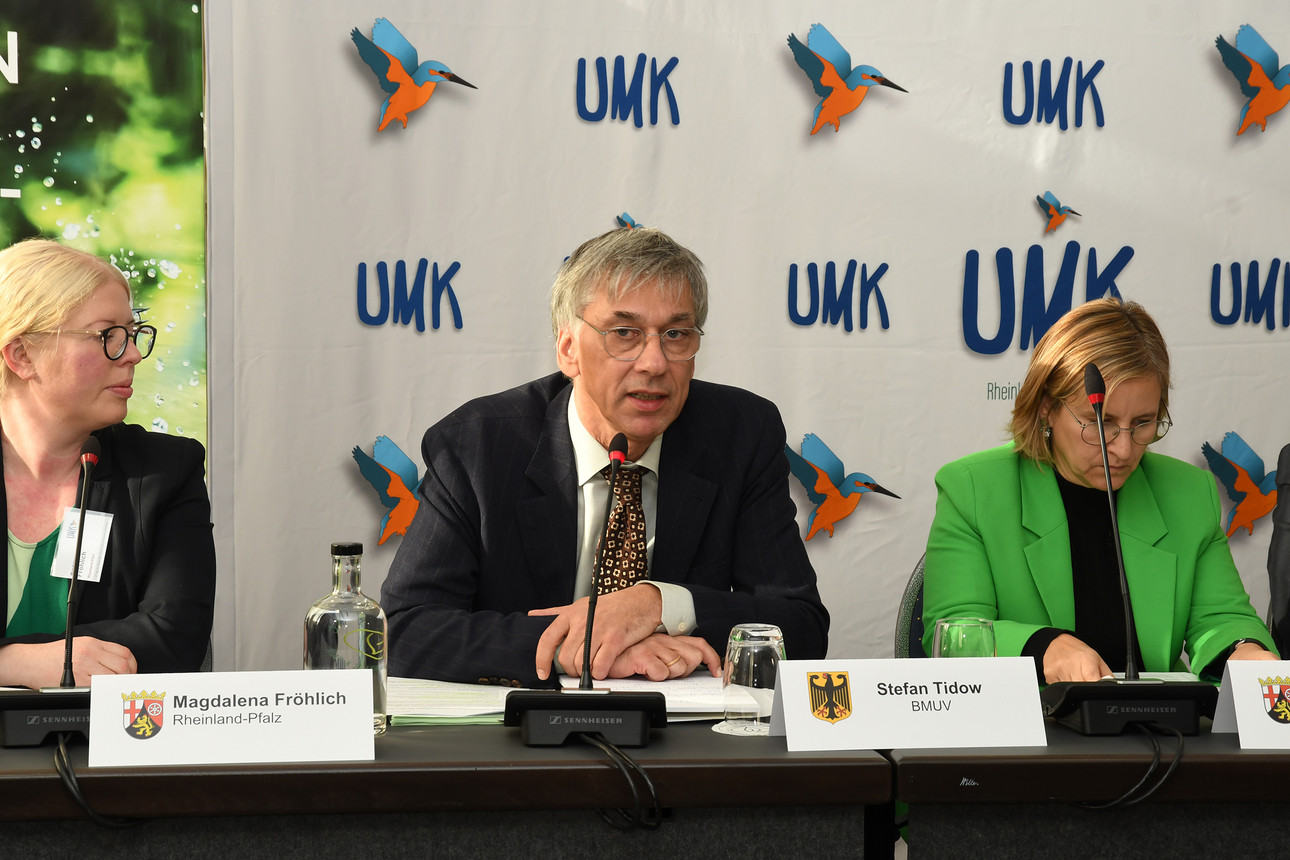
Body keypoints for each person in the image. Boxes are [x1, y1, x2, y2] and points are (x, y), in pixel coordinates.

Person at [383, 226, 829, 687]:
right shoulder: (478, 445)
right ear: (569, 350)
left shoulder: (741, 434)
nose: (655, 363)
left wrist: (658, 605)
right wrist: (588, 648)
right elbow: (406, 631)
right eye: (624, 333)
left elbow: (801, 629)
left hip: (686, 746)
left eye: (676, 333)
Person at [922, 297, 1276, 682]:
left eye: (1143, 422)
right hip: (1028, 733)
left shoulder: (1190, 493)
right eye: (1101, 422)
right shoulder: (973, 489)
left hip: (1159, 733)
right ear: (1046, 406)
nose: (1124, 450)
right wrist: (1042, 647)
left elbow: (1221, 618)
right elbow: (954, 633)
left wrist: (1245, 652)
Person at [0, 239, 215, 688]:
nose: (133, 354)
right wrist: (20, 664)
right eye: (108, 337)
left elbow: (173, 639)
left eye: (133, 334)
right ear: (21, 355)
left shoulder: (166, 470)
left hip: (98, 753)